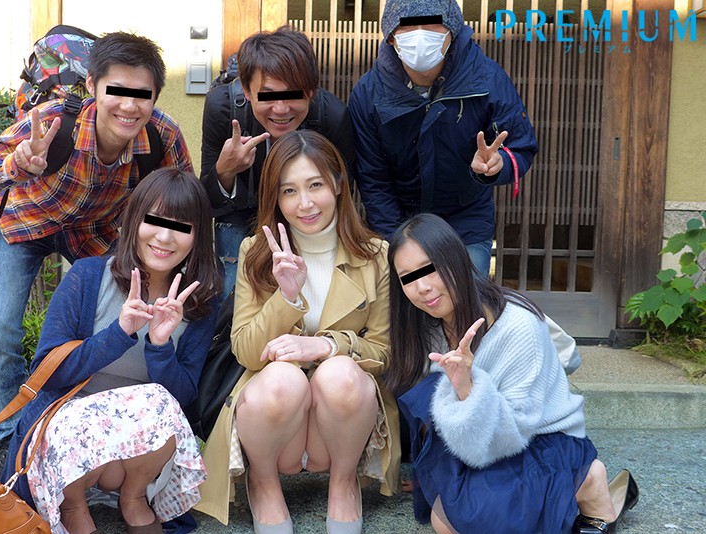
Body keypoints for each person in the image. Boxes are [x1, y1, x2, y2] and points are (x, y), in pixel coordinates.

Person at [0, 31, 193, 478]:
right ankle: (7, 442)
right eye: (117, 90)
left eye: (141, 94)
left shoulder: (162, 135)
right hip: (24, 223)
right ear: (93, 86)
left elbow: (182, 201)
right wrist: (15, 165)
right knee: (2, 330)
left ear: (155, 96)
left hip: (93, 232)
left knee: (111, 319)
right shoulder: (53, 122)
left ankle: (92, 424)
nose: (129, 105)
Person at [194, 130, 399, 532]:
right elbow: (245, 351)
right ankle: (263, 482)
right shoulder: (256, 251)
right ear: (275, 197)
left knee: (340, 372)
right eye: (289, 191)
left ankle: (344, 483)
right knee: (282, 378)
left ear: (338, 184)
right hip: (275, 420)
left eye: (315, 185)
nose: (304, 203)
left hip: (339, 422)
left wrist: (326, 346)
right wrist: (285, 297)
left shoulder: (376, 255)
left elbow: (384, 351)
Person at [386, 212, 639, 534]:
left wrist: (467, 389)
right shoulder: (425, 327)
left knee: (452, 522)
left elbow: (511, 433)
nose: (422, 287)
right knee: (446, 513)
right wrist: (434, 469)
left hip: (541, 441)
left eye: (430, 268)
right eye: (408, 278)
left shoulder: (517, 325)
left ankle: (587, 479)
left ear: (457, 261)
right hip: (480, 444)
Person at [0, 168, 222, 534]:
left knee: (163, 406)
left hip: (135, 455)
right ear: (134, 221)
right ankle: (72, 506)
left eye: (182, 227)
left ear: (197, 237)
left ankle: (133, 498)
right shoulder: (88, 276)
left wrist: (160, 345)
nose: (165, 237)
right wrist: (118, 334)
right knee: (76, 418)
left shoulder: (198, 305)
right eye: (155, 221)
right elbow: (47, 372)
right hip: (70, 441)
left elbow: (183, 399)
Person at [348, 0, 539, 278]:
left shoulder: (487, 78)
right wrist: (395, 240)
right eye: (408, 26)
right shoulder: (368, 93)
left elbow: (521, 147)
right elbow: (373, 179)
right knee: (409, 300)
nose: (420, 34)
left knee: (465, 299)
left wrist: (497, 166)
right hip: (401, 220)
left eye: (432, 24)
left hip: (466, 220)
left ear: (452, 31)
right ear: (390, 37)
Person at [201, 25, 354, 300]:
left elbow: (343, 193)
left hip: (307, 213)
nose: (281, 109)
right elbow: (208, 203)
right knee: (233, 298)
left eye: (294, 94)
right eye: (268, 95)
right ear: (247, 90)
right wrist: (225, 171)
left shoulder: (331, 116)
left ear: (311, 91)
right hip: (241, 214)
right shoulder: (223, 108)